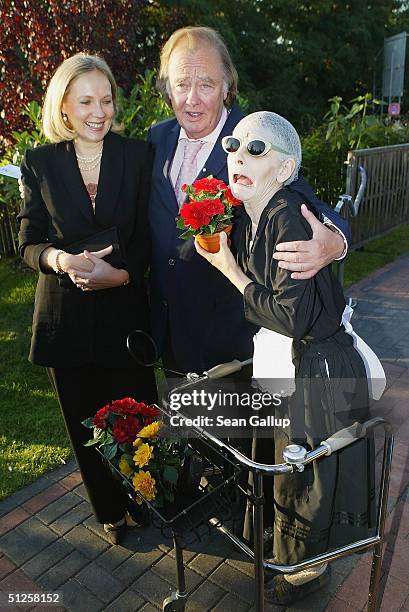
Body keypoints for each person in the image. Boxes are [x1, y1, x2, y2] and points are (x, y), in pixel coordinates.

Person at [195, 111, 374, 606]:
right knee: (288, 468)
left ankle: (304, 575)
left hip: (315, 366)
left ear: (286, 168)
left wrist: (229, 270)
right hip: (294, 362)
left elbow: (291, 318)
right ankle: (289, 558)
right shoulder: (260, 210)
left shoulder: (287, 216)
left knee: (304, 477)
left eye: (257, 149)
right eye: (234, 145)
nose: (237, 156)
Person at [148, 26, 350, 376]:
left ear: (227, 87)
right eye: (181, 84)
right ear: (168, 88)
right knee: (186, 427)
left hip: (232, 338)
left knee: (234, 430)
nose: (192, 99)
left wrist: (335, 240)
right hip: (170, 324)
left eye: (206, 85)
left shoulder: (253, 139)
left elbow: (302, 194)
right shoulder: (157, 136)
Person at [18, 53, 157, 545]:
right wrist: (59, 261)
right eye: (86, 101)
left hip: (124, 314)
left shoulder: (139, 155)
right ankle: (109, 511)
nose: (99, 111)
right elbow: (28, 242)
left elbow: (145, 237)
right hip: (65, 319)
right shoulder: (38, 162)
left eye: (106, 99)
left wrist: (118, 275)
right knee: (86, 426)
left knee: (137, 418)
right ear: (64, 107)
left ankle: (144, 498)